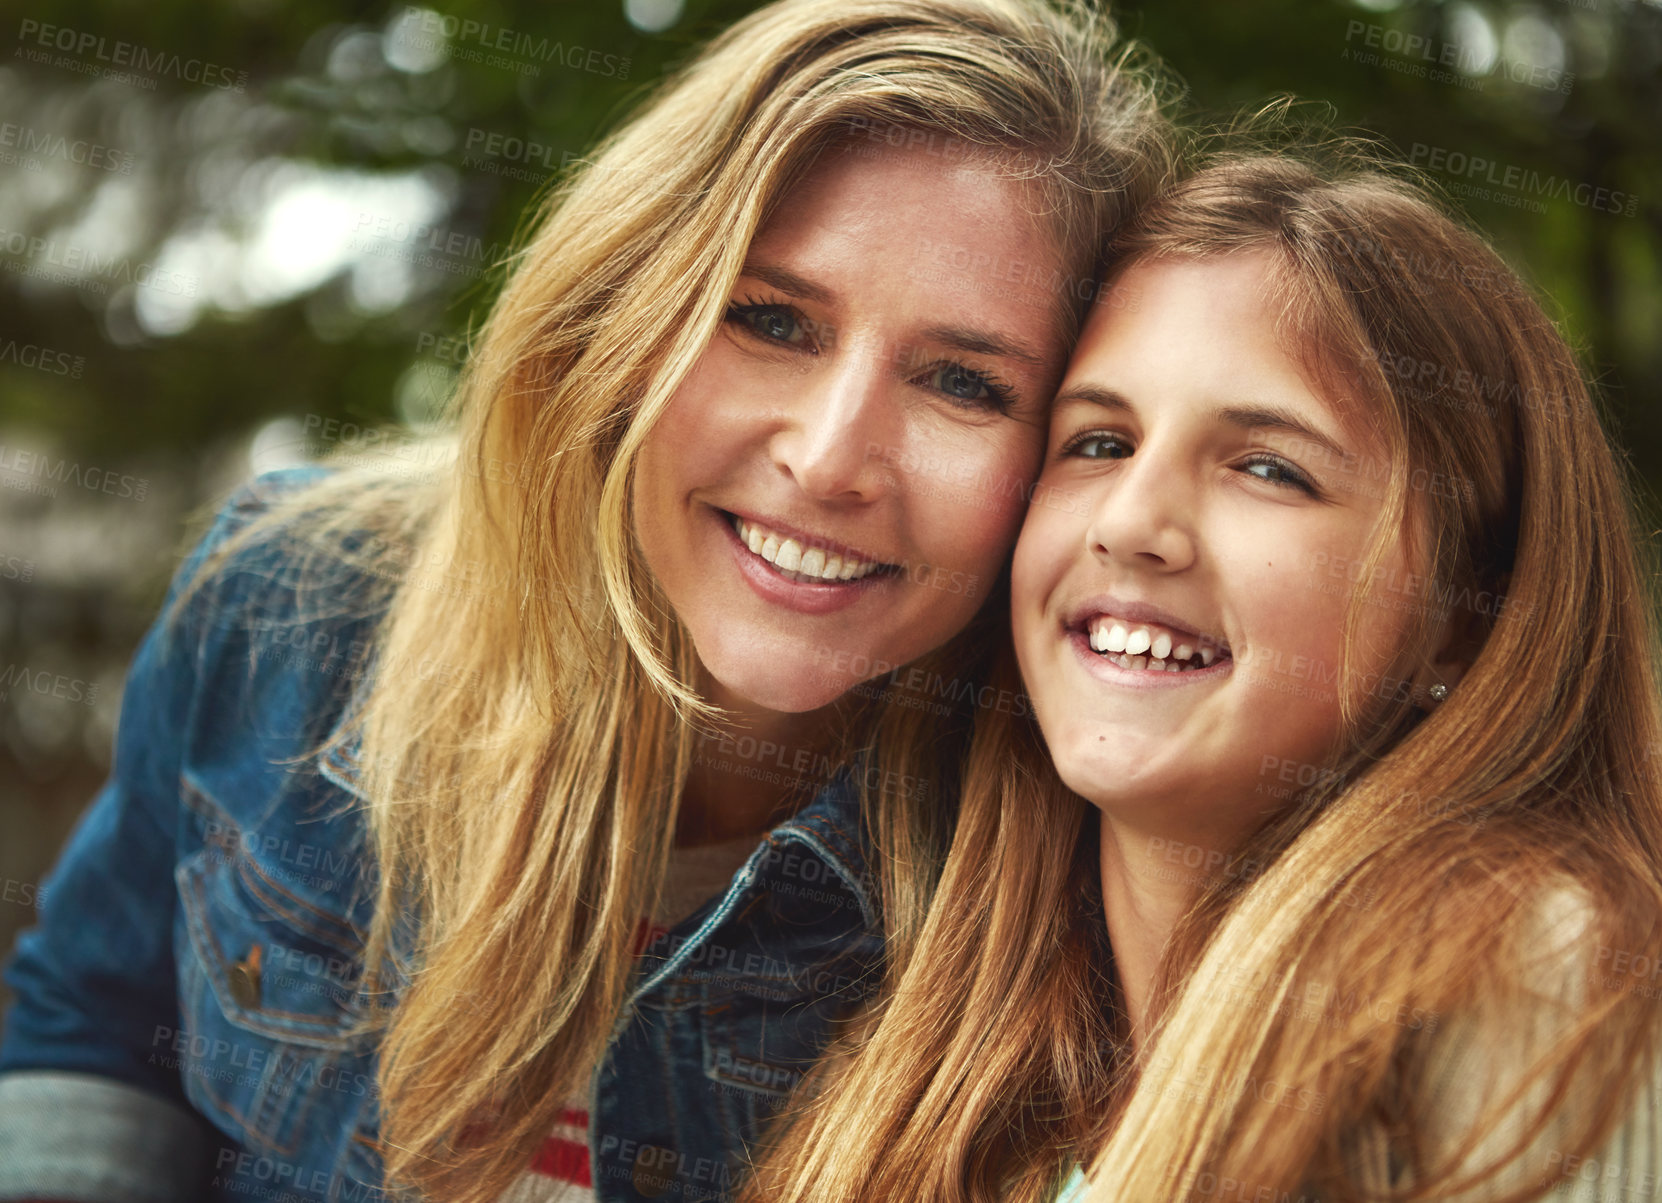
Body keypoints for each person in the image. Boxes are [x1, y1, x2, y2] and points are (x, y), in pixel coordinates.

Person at [0, 2, 1170, 1201]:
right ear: (628, 310)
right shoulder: (296, 600)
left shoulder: (1103, 879)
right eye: (770, 320)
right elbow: (101, 1021)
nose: (829, 459)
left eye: (965, 382)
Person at [738, 148, 1662, 1202]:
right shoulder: (933, 1054)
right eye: (1099, 442)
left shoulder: (1550, 984)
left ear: (1462, 617)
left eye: (1268, 468)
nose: (1134, 523)